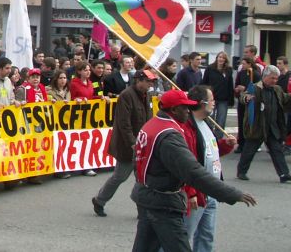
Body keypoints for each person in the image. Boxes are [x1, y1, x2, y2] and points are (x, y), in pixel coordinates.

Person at [131, 89, 256, 252]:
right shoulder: (169, 135)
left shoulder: (153, 125)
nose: (188, 111)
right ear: (174, 109)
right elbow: (192, 171)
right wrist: (231, 193)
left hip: (148, 194)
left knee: (145, 247)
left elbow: (138, 161)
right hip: (163, 201)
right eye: (184, 107)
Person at [92, 69, 155, 216]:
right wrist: (132, 143)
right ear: (138, 81)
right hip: (128, 145)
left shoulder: (147, 95)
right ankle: (100, 200)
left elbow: (149, 118)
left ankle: (142, 209)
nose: (150, 84)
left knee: (142, 178)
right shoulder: (127, 95)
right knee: (120, 176)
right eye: (148, 81)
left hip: (143, 142)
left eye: (152, 82)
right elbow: (123, 122)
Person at [182, 85, 237, 252]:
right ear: (202, 103)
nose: (214, 103)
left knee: (206, 237)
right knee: (184, 236)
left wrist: (225, 146)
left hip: (210, 190)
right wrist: (190, 192)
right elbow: (186, 164)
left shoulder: (206, 123)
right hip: (197, 192)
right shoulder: (187, 128)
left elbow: (210, 152)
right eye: (211, 100)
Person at [236, 65, 290, 182]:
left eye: (276, 79)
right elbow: (243, 96)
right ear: (265, 77)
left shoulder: (277, 89)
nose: (275, 81)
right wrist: (246, 99)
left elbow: (285, 99)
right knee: (249, 150)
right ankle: (241, 171)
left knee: (277, 151)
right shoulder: (255, 88)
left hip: (272, 127)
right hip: (257, 126)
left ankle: (284, 174)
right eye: (272, 78)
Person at [233, 48, 262, 152]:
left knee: (250, 122)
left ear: (250, 64)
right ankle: (241, 143)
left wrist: (245, 88)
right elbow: (237, 84)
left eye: (244, 64)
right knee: (241, 121)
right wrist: (237, 89)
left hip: (252, 101)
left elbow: (258, 88)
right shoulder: (241, 73)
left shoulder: (256, 74)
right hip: (242, 100)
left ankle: (250, 143)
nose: (243, 66)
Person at [203, 52, 235, 128]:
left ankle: (219, 138)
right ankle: (210, 136)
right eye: (219, 57)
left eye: (223, 58)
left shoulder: (228, 70)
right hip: (211, 98)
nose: (221, 59)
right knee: (209, 120)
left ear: (225, 60)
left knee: (221, 121)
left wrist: (231, 100)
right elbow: (204, 82)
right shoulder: (210, 68)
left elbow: (230, 85)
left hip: (223, 99)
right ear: (217, 58)